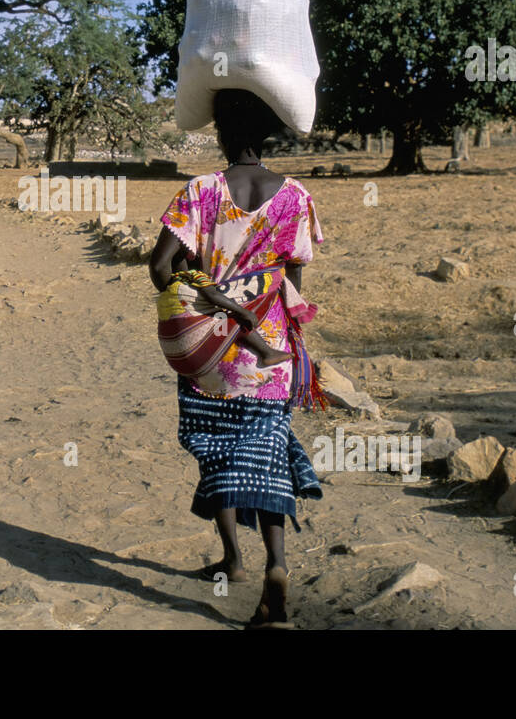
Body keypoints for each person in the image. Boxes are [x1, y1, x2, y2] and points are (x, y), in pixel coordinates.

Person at [149, 88, 327, 628]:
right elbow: (293, 289)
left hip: (214, 355)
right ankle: (275, 564)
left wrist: (210, 300)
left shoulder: (200, 192)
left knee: (216, 452)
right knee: (266, 458)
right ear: (270, 134)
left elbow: (160, 267)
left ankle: (232, 558)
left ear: (222, 133)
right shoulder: (295, 196)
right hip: (271, 354)